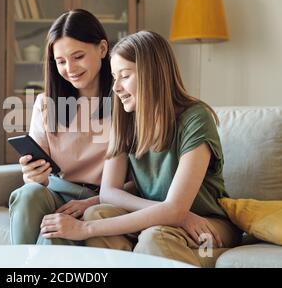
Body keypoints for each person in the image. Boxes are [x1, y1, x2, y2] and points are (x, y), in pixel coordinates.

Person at [38, 31, 242, 267]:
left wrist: (85, 229)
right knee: (98, 212)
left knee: (154, 237)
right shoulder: (125, 119)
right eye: (114, 77)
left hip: (207, 223)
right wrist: (175, 214)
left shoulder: (195, 118)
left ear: (152, 75)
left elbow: (175, 208)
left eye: (124, 76)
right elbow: (109, 192)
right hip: (168, 218)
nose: (115, 87)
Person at [8, 9, 112, 246]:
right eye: (61, 61)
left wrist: (90, 203)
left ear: (103, 49)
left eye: (78, 56)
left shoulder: (124, 101)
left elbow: (139, 179)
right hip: (57, 191)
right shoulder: (46, 104)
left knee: (53, 235)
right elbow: (39, 179)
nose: (70, 68)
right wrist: (33, 176)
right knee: (28, 194)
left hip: (102, 199)